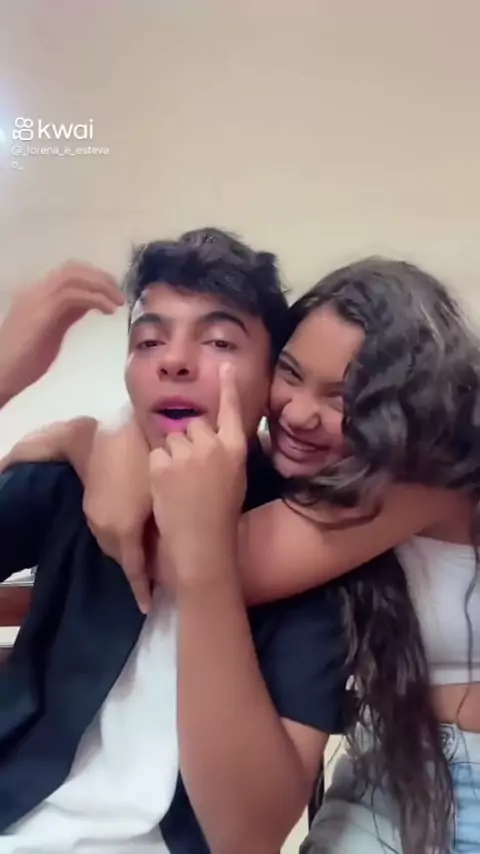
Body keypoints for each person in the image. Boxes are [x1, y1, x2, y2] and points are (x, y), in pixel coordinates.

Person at [18, 251, 480, 853]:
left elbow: (192, 554)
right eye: (291, 374)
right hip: (386, 769)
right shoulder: (313, 476)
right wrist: (115, 432)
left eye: (344, 397)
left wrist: (91, 442)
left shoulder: (430, 471)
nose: (299, 413)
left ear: (407, 407)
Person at [0, 232, 349, 854]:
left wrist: (204, 545)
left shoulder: (308, 540)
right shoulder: (72, 487)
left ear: (272, 379)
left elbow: (249, 836)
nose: (174, 361)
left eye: (219, 342)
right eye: (149, 341)